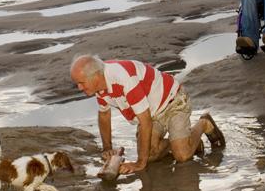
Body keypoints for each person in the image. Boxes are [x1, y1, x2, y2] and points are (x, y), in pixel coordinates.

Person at [69, 55, 225, 175]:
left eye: (81, 82)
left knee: (182, 156)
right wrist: (107, 148)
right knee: (150, 154)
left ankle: (204, 123)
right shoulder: (100, 86)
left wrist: (139, 164)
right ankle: (185, 141)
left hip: (172, 101)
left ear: (95, 76)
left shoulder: (124, 79)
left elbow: (145, 123)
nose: (79, 87)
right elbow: (104, 115)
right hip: (151, 112)